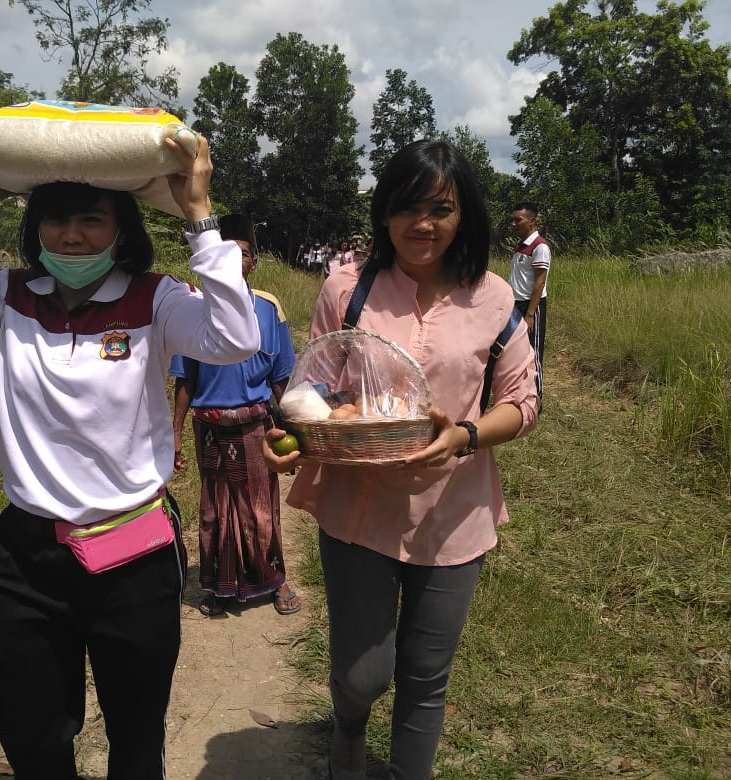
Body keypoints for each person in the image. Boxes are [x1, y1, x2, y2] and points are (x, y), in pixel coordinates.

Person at [0, 134, 260, 780]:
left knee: (137, 739)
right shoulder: (10, 297)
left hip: (133, 559)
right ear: (35, 226)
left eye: (90, 219)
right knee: (28, 731)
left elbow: (237, 336)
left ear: (120, 230)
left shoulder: (155, 300)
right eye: (55, 218)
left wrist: (199, 215)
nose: (71, 236)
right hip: (30, 559)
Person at [262, 139, 540, 780]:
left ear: (463, 214)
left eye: (441, 208)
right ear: (385, 214)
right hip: (359, 508)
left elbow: (522, 402)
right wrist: (301, 434)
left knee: (425, 675)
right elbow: (314, 384)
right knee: (363, 674)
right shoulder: (348, 289)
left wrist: (464, 435)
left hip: (453, 513)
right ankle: (349, 726)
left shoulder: (495, 299)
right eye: (408, 207)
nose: (424, 223)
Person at [169, 214, 301, 618]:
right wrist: (173, 434)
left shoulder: (268, 309)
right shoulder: (192, 308)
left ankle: (275, 580)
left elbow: (282, 379)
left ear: (253, 264)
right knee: (214, 511)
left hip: (256, 426)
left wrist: (298, 433)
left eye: (243, 254)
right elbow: (185, 382)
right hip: (209, 427)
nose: (235, 260)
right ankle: (219, 585)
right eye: (226, 253)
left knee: (260, 508)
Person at [509, 201, 551, 397]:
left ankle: (537, 396)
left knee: (533, 352)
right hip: (516, 304)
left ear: (532, 221)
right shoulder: (522, 245)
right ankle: (520, 391)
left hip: (530, 305)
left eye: (518, 220)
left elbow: (539, 282)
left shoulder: (540, 246)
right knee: (517, 351)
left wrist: (530, 314)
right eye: (513, 220)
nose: (514, 224)